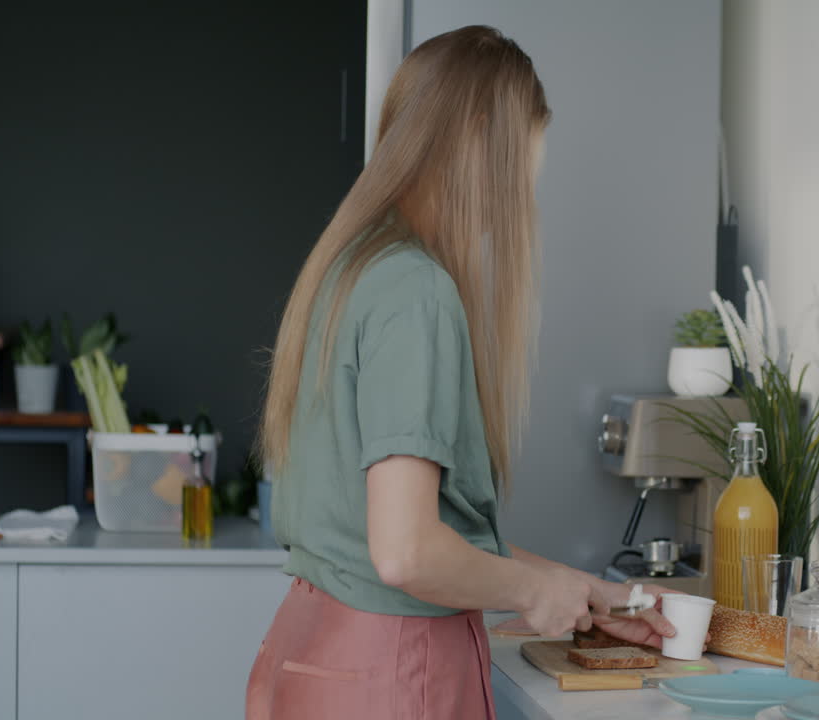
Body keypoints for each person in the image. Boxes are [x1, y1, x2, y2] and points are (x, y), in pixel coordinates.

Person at [246, 25, 677, 720]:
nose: (520, 208)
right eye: (523, 173)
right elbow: (407, 553)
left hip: (310, 652)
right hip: (390, 671)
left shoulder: (348, 270)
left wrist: (570, 586)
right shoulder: (417, 289)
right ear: (477, 139)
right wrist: (533, 595)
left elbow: (405, 530)